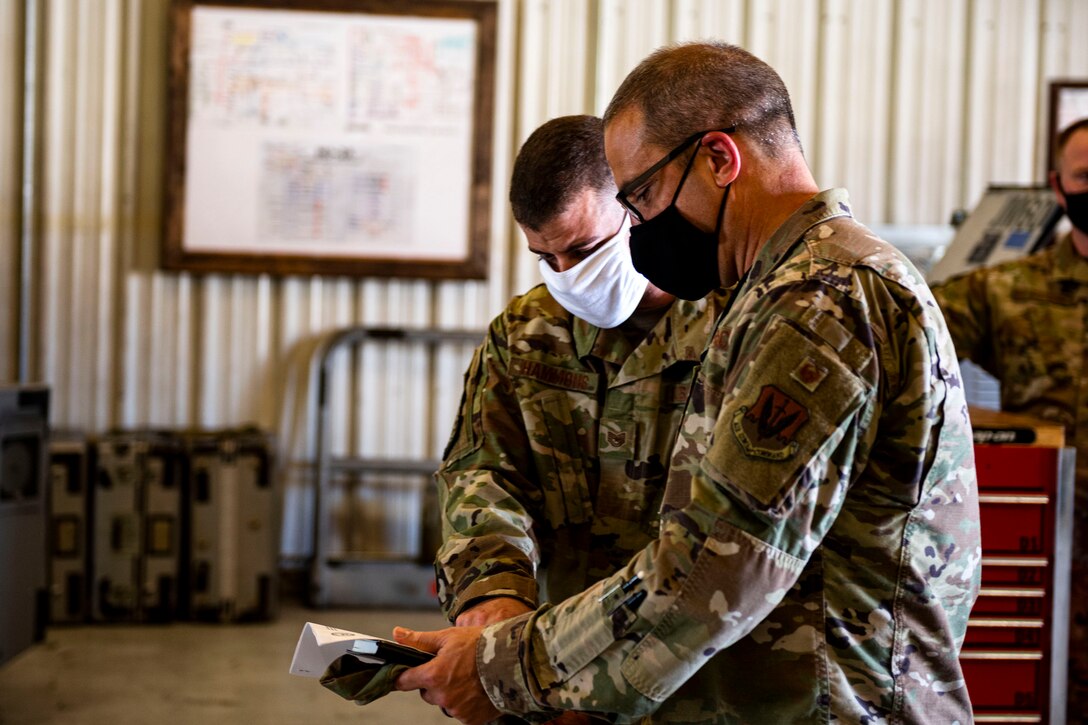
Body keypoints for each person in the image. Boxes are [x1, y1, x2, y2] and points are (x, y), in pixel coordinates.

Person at [394, 42, 980, 724]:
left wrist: (502, 669)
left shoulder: (820, 301)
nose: (640, 226)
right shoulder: (775, 290)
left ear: (719, 159)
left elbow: (712, 568)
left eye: (639, 197)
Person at [433, 114, 731, 723]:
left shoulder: (734, 325)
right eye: (545, 256)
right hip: (556, 667)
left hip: (705, 680)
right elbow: (483, 473)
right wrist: (495, 593)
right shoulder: (525, 333)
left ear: (636, 208)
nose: (567, 275)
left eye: (584, 249)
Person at [931, 116, 1088, 724]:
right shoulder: (1008, 291)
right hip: (1059, 549)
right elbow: (904, 334)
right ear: (1058, 186)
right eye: (1084, 175)